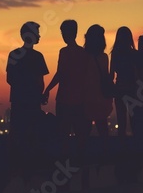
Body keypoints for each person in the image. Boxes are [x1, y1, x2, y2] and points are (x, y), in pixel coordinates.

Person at [6, 21, 49, 172]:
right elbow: (40, 81)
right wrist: (38, 94)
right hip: (32, 102)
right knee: (32, 134)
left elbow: (10, 79)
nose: (39, 36)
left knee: (19, 134)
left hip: (19, 101)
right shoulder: (38, 57)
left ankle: (17, 166)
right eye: (37, 33)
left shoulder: (13, 55)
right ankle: (32, 166)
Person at [43, 20, 88, 157]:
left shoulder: (64, 52)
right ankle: (80, 160)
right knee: (80, 133)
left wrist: (48, 89)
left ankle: (65, 161)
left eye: (63, 32)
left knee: (63, 133)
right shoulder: (83, 53)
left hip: (64, 99)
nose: (62, 35)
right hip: (80, 99)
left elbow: (60, 74)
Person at [83, 24, 113, 137]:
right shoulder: (104, 57)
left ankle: (83, 153)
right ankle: (106, 153)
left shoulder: (83, 56)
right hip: (101, 97)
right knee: (103, 128)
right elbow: (106, 75)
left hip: (87, 97)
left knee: (85, 130)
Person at [110, 26, 137, 137]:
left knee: (121, 120)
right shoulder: (134, 54)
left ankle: (122, 146)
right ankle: (136, 146)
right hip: (133, 90)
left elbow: (111, 74)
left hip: (119, 89)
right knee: (134, 120)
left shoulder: (115, 54)